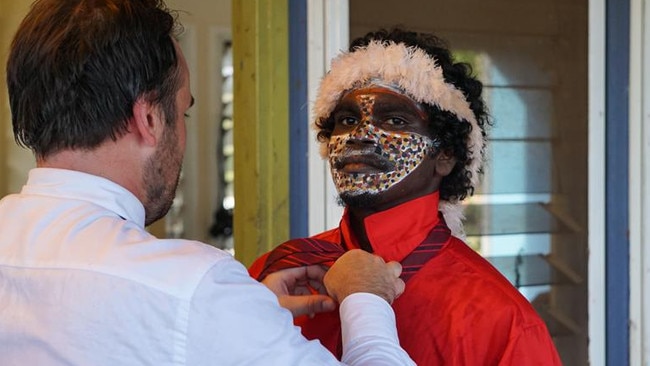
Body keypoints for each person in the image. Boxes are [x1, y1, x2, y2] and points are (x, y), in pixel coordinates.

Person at [0, 1, 416, 365]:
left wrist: (244, 316)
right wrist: (366, 299)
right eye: (182, 112)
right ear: (148, 118)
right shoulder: (190, 289)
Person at [250, 28, 563, 365]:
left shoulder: (502, 322)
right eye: (347, 119)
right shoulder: (275, 277)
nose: (361, 135)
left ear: (445, 155)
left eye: (395, 119)